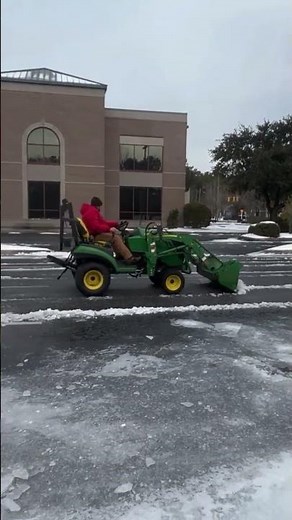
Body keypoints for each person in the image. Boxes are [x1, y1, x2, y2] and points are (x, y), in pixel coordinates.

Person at [80, 197, 140, 264]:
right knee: (115, 238)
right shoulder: (92, 212)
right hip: (95, 235)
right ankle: (129, 258)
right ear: (97, 206)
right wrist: (109, 229)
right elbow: (96, 227)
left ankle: (120, 255)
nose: (100, 208)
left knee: (119, 236)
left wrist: (115, 224)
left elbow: (103, 223)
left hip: (96, 233)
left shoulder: (91, 211)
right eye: (99, 206)